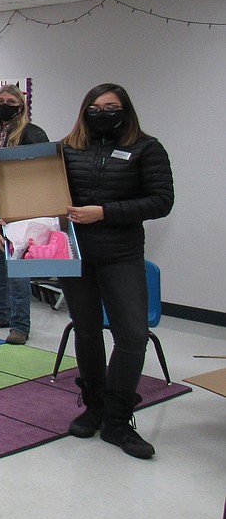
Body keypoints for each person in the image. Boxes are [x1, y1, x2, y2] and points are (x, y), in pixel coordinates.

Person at [57, 83, 173, 459]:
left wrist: (104, 212)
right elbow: (41, 192)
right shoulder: (67, 148)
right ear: (84, 110)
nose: (102, 112)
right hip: (76, 255)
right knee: (87, 331)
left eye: (111, 106)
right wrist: (7, 213)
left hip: (122, 255)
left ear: (125, 110)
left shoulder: (147, 148)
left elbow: (161, 201)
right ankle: (95, 407)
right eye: (95, 106)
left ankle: (118, 420)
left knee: (133, 336)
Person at [0, 84, 48, 345]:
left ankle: (20, 325)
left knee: (17, 267)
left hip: (19, 213)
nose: (4, 105)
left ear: (21, 105)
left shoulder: (33, 134)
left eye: (10, 101)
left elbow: (39, 174)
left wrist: (4, 191)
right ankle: (0, 314)